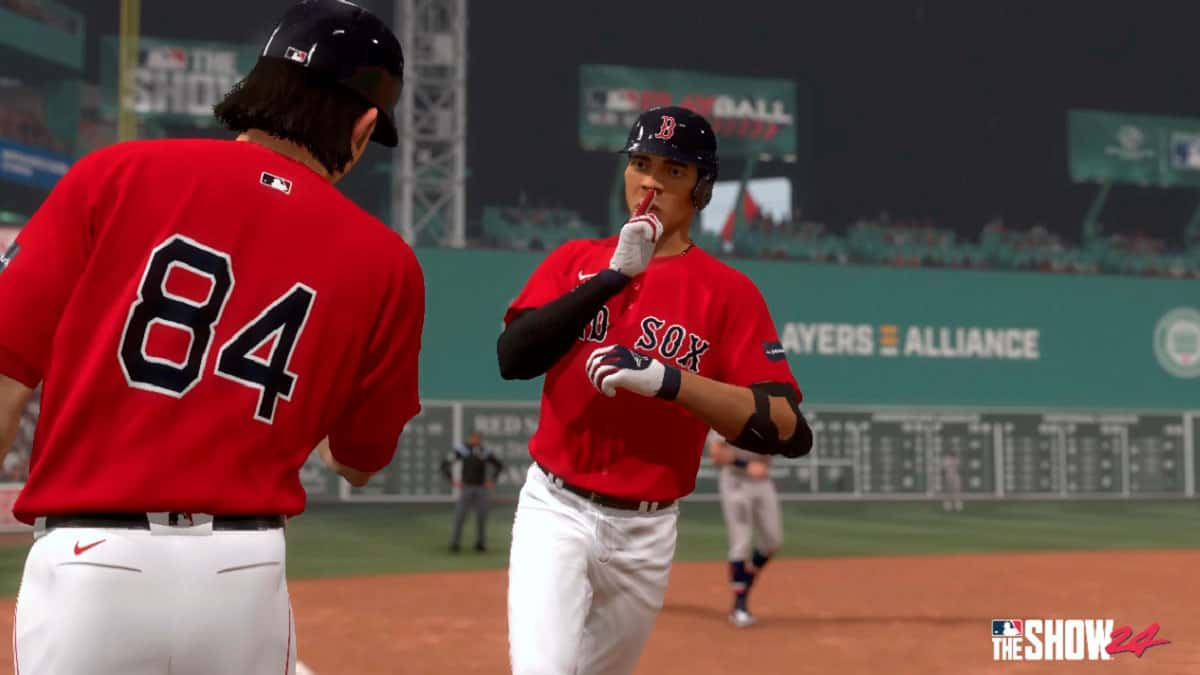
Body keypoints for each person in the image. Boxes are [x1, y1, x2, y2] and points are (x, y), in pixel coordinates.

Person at [0, 2, 424, 673]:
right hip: (244, 572)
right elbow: (359, 460)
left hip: (89, 563)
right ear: (364, 127)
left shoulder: (113, 174)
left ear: (257, 84)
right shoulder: (388, 263)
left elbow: (5, 376)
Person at [497, 105, 814, 675]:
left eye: (674, 171)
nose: (650, 182)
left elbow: (788, 429)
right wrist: (613, 277)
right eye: (641, 163)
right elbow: (514, 357)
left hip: (647, 530)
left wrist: (671, 381)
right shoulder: (576, 261)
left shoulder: (729, 294)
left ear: (701, 189)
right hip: (556, 508)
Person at [707, 429, 783, 628]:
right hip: (735, 480)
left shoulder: (765, 415)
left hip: (761, 482)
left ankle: (745, 580)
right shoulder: (727, 413)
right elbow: (716, 453)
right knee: (741, 543)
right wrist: (746, 464)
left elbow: (767, 456)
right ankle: (739, 606)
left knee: (773, 541)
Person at [441, 432, 504, 552]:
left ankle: (480, 543)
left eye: (478, 438)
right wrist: (451, 480)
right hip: (467, 487)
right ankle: (455, 543)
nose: (476, 440)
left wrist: (492, 480)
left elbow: (499, 466)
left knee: (482, 516)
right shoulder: (462, 450)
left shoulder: (484, 451)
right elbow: (445, 464)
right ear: (469, 438)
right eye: (474, 438)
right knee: (460, 516)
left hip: (481, 488)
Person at [942, 445, 964, 512]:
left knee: (957, 491)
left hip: (955, 476)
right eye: (952, 451)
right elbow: (945, 468)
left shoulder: (957, 458)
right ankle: (947, 507)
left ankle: (958, 506)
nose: (953, 452)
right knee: (948, 492)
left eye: (954, 451)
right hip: (948, 475)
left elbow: (958, 467)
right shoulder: (946, 458)